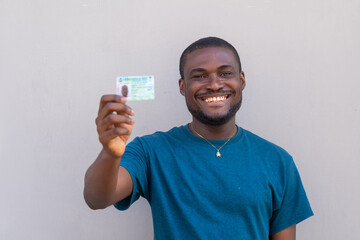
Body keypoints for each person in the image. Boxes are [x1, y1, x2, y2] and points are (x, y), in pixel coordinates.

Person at [84, 37, 313, 240]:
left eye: (225, 73)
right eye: (200, 76)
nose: (214, 84)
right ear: (183, 87)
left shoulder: (278, 161)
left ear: (241, 81)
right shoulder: (150, 151)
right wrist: (110, 153)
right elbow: (97, 198)